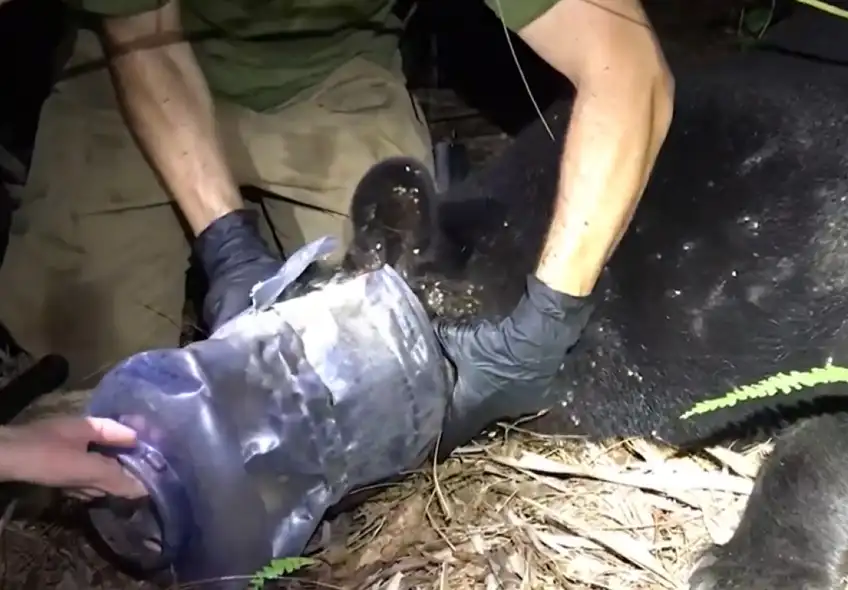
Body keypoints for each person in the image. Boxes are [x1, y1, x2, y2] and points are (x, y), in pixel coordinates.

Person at [0, 0, 673, 493]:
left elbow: (630, 71)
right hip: (139, 67)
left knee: (392, 357)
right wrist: (225, 242)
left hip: (335, 70)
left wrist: (546, 321)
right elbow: (141, 31)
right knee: (97, 404)